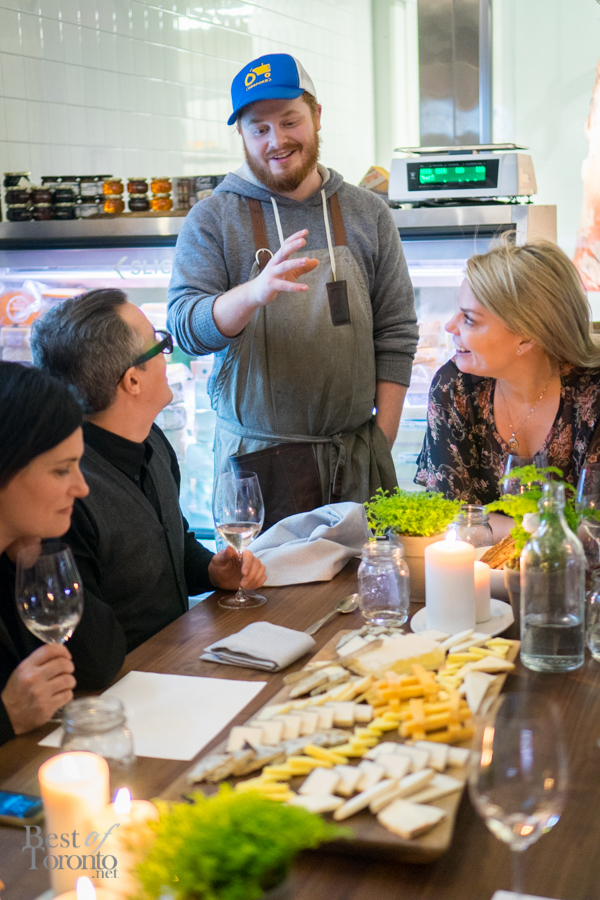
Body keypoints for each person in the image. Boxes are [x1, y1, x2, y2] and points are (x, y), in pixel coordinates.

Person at [167, 53, 418, 528]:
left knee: (367, 578)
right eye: (259, 128)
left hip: (356, 461)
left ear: (316, 116)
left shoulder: (368, 213)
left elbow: (397, 335)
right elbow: (185, 329)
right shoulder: (213, 218)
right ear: (242, 135)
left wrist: (378, 445)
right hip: (256, 470)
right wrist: (252, 294)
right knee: (261, 580)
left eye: (289, 121)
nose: (276, 141)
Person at [31, 290, 266, 652]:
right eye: (159, 344)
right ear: (132, 381)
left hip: (180, 654)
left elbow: (173, 542)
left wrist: (211, 570)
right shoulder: (67, 496)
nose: (166, 355)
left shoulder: (152, 439)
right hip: (126, 678)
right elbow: (84, 648)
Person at [415, 240, 600, 503]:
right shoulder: (454, 387)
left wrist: (487, 521)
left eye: (469, 319)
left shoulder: (592, 396)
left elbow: (592, 520)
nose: (450, 326)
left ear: (527, 335)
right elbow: (450, 513)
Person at [0, 362, 126, 745]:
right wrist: (6, 716)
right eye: (61, 470)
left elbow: (99, 664)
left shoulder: (21, 552)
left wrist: (34, 558)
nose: (82, 488)